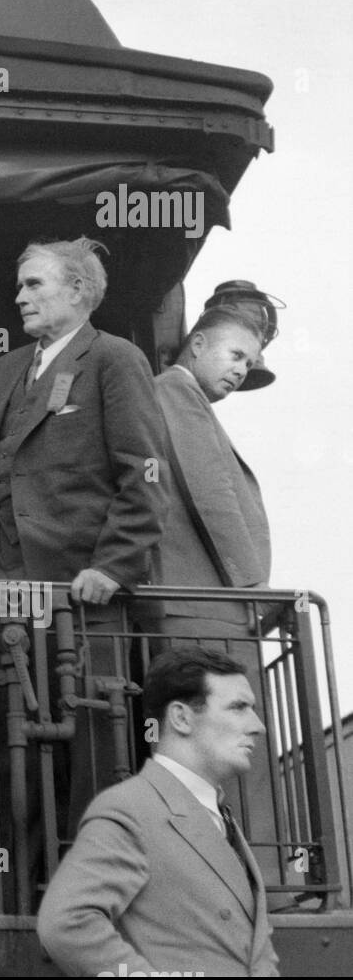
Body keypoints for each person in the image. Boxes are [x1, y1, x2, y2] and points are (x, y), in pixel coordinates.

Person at [0, 237, 169, 843]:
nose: (18, 295)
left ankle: (90, 887)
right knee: (12, 736)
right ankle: (22, 888)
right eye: (20, 284)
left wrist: (113, 565)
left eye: (34, 284)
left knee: (92, 746)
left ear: (78, 290)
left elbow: (145, 473)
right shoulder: (7, 369)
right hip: (5, 590)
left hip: (86, 595)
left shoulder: (116, 358)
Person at [37, 646, 279, 978]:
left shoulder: (215, 812)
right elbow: (66, 922)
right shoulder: (131, 807)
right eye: (239, 707)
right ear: (181, 718)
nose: (258, 726)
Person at [150, 304, 279, 880]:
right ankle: (257, 883)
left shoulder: (180, 397)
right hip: (208, 605)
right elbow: (212, 495)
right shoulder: (177, 394)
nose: (240, 371)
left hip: (198, 603)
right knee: (230, 750)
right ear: (196, 344)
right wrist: (254, 588)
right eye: (235, 356)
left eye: (249, 364)